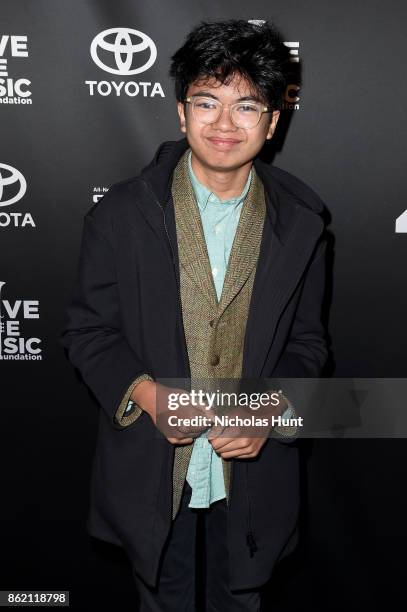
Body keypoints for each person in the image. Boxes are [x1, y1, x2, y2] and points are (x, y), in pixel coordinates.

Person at [61, 18, 328, 612]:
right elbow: (88, 331)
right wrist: (146, 394)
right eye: (206, 102)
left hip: (255, 474)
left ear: (273, 120)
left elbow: (309, 342)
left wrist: (270, 408)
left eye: (246, 106)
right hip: (153, 469)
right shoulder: (121, 214)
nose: (224, 124)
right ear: (181, 113)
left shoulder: (304, 225)